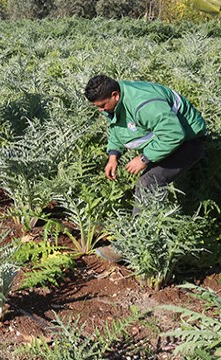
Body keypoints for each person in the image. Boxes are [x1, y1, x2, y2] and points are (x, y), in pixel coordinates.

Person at [84, 74, 207, 262]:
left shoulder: (143, 103)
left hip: (188, 142)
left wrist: (144, 158)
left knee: (148, 182)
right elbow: (118, 128)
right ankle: (149, 233)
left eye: (102, 106)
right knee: (151, 183)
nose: (101, 111)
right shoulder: (117, 103)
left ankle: (134, 243)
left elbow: (173, 134)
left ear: (115, 94)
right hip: (168, 142)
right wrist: (113, 155)